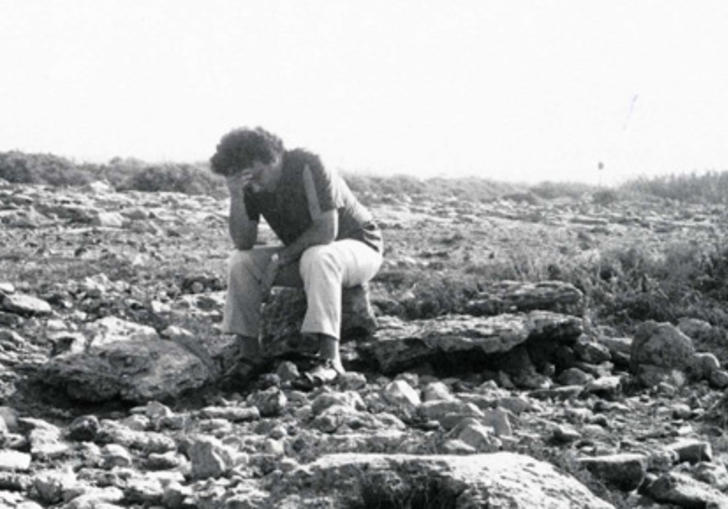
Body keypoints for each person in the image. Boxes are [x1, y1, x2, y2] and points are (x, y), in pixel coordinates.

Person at [210, 127, 383, 385]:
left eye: (254, 174)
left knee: (318, 255)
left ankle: (330, 360)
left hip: (359, 248)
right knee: (241, 262)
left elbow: (326, 231)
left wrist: (279, 260)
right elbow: (243, 242)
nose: (253, 184)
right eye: (243, 177)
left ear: (271, 157)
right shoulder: (249, 184)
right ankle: (249, 356)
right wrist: (236, 195)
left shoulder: (307, 164)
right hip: (308, 258)